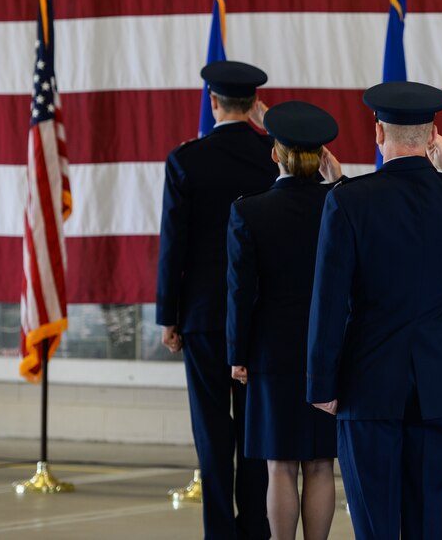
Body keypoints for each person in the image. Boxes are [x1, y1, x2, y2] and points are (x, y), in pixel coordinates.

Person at [306, 80, 442, 539]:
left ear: (378, 132)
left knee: (375, 521)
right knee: (428, 521)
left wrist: (322, 382)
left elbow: (328, 299)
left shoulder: (346, 199)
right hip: (440, 380)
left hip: (368, 380)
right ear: (432, 134)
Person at [156, 60, 274, 540]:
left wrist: (169, 315)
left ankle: (219, 533)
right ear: (252, 105)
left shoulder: (186, 159)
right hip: (260, 315)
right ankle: (255, 530)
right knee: (254, 428)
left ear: (213, 102)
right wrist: (272, 128)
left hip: (204, 316)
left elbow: (173, 244)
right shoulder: (273, 155)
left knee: (211, 429)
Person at [226, 101, 343, 540]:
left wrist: (237, 353)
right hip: (327, 350)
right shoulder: (340, 205)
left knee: (279, 464)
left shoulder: (249, 211)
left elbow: (240, 291)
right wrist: (342, 182)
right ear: (321, 156)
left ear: (274, 153)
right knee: (319, 464)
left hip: (271, 352)